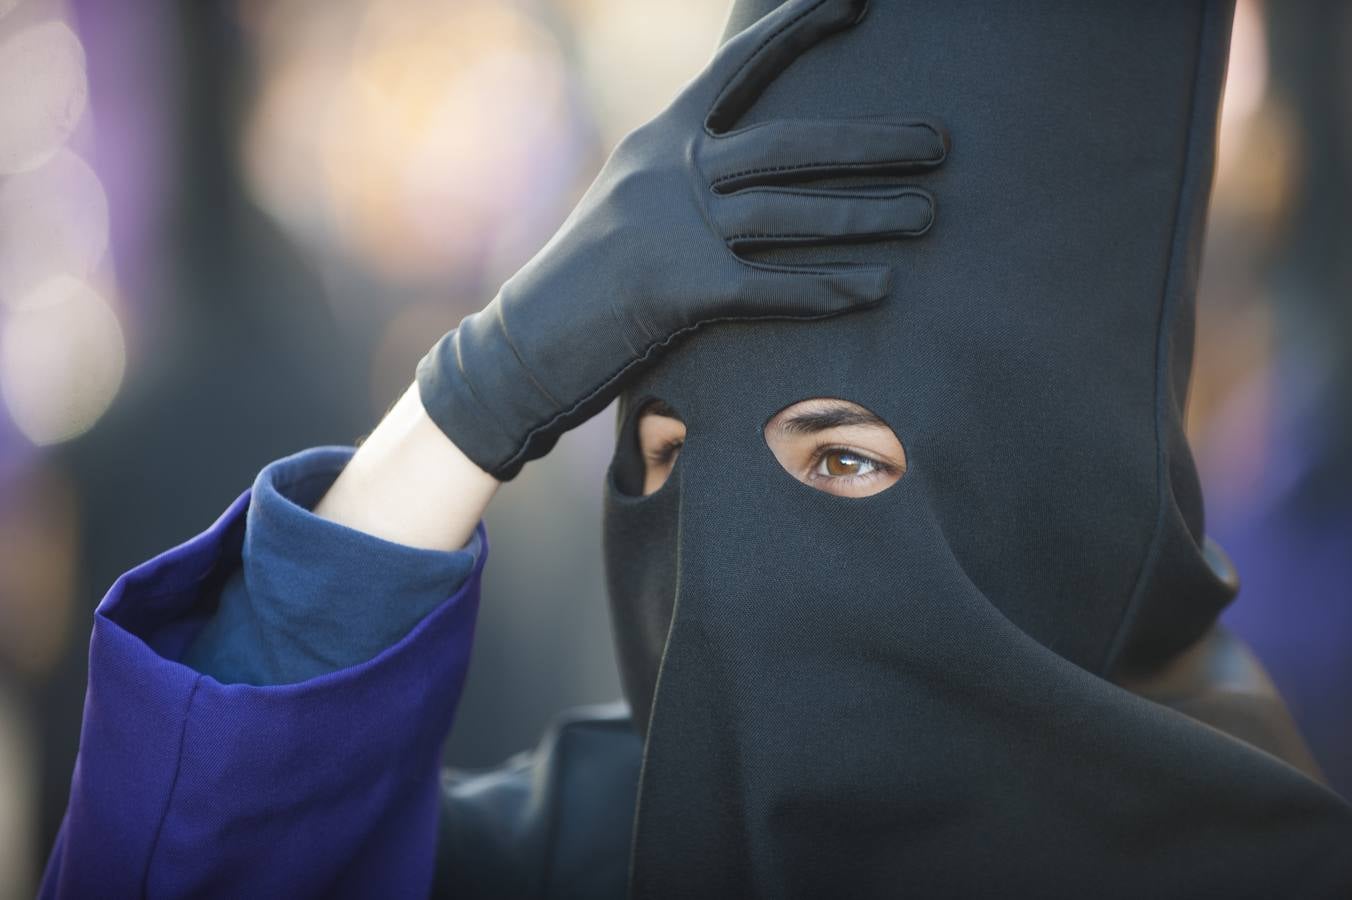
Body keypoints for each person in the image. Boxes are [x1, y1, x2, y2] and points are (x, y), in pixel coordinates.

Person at [39, 1, 1352, 897]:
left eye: (840, 464)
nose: (729, 545)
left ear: (1053, 479)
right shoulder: (597, 845)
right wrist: (474, 396)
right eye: (665, 458)